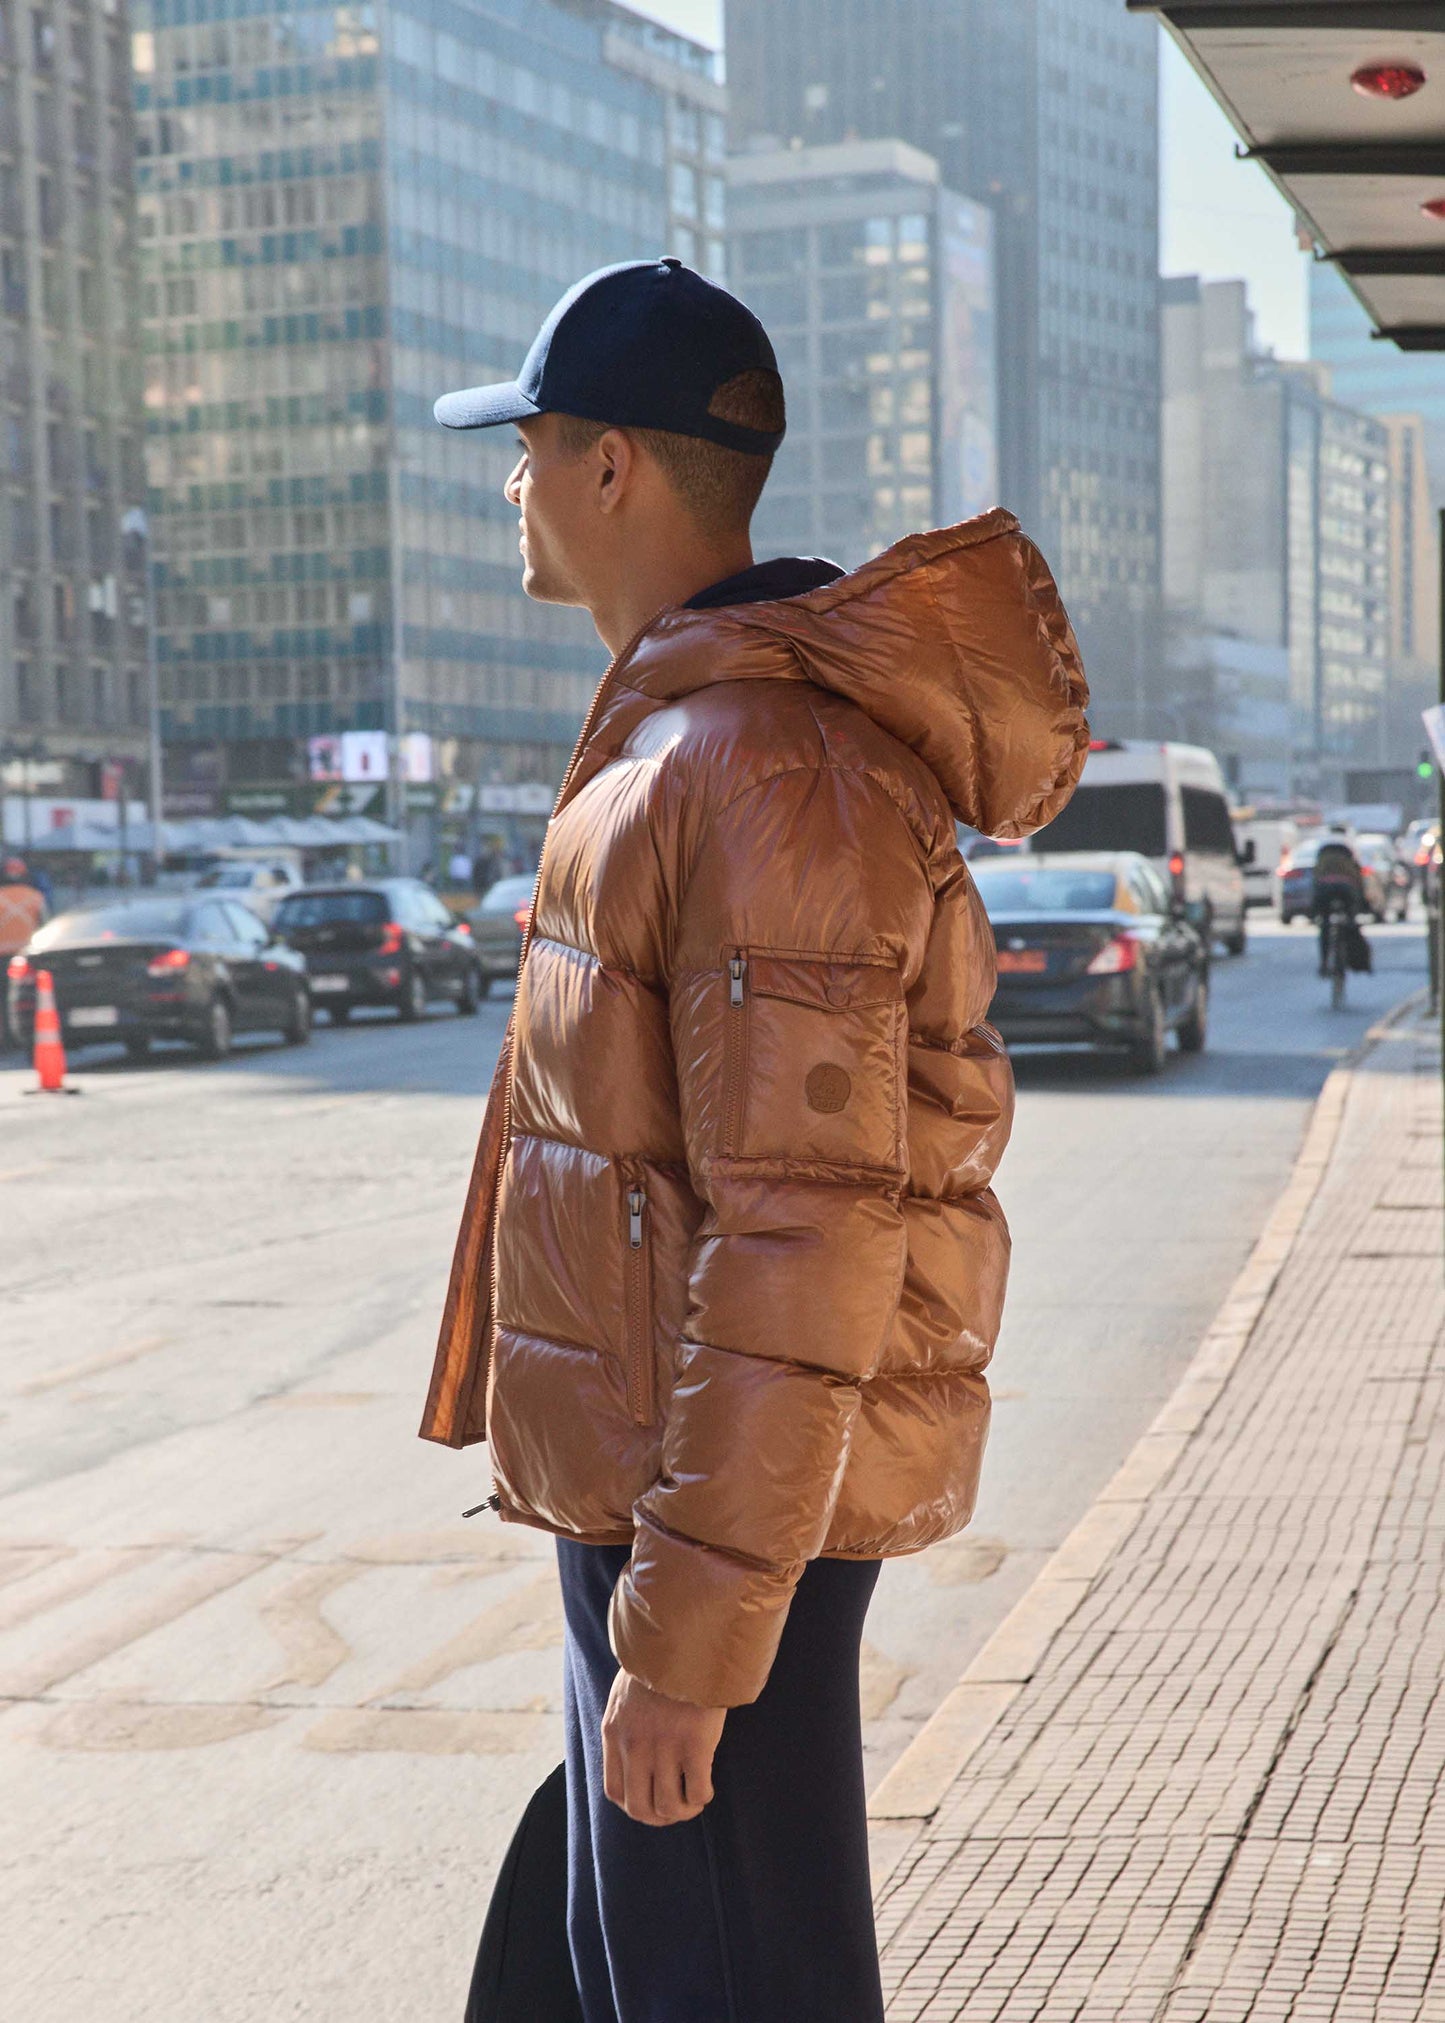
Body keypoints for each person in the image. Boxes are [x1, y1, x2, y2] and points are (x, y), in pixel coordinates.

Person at [420, 257, 1089, 2023]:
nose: (512, 483)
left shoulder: (760, 769)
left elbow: (808, 1229)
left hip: (710, 1535)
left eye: (530, 446)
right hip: (671, 1509)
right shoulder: (695, 740)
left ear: (613, 465)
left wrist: (692, 1642)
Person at [0, 856, 48, 1051]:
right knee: (30, 999)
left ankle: (7, 1041)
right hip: (27, 958)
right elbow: (46, 927)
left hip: (2, 958)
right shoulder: (36, 898)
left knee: (4, 1001)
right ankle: (28, 1038)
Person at [1310, 830, 1371, 977]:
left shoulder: (1322, 857)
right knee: (1350, 922)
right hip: (1346, 889)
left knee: (1325, 925)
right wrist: (1362, 903)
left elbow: (1315, 882)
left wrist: (1314, 910)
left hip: (1325, 890)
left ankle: (1324, 964)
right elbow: (1358, 881)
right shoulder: (1349, 856)